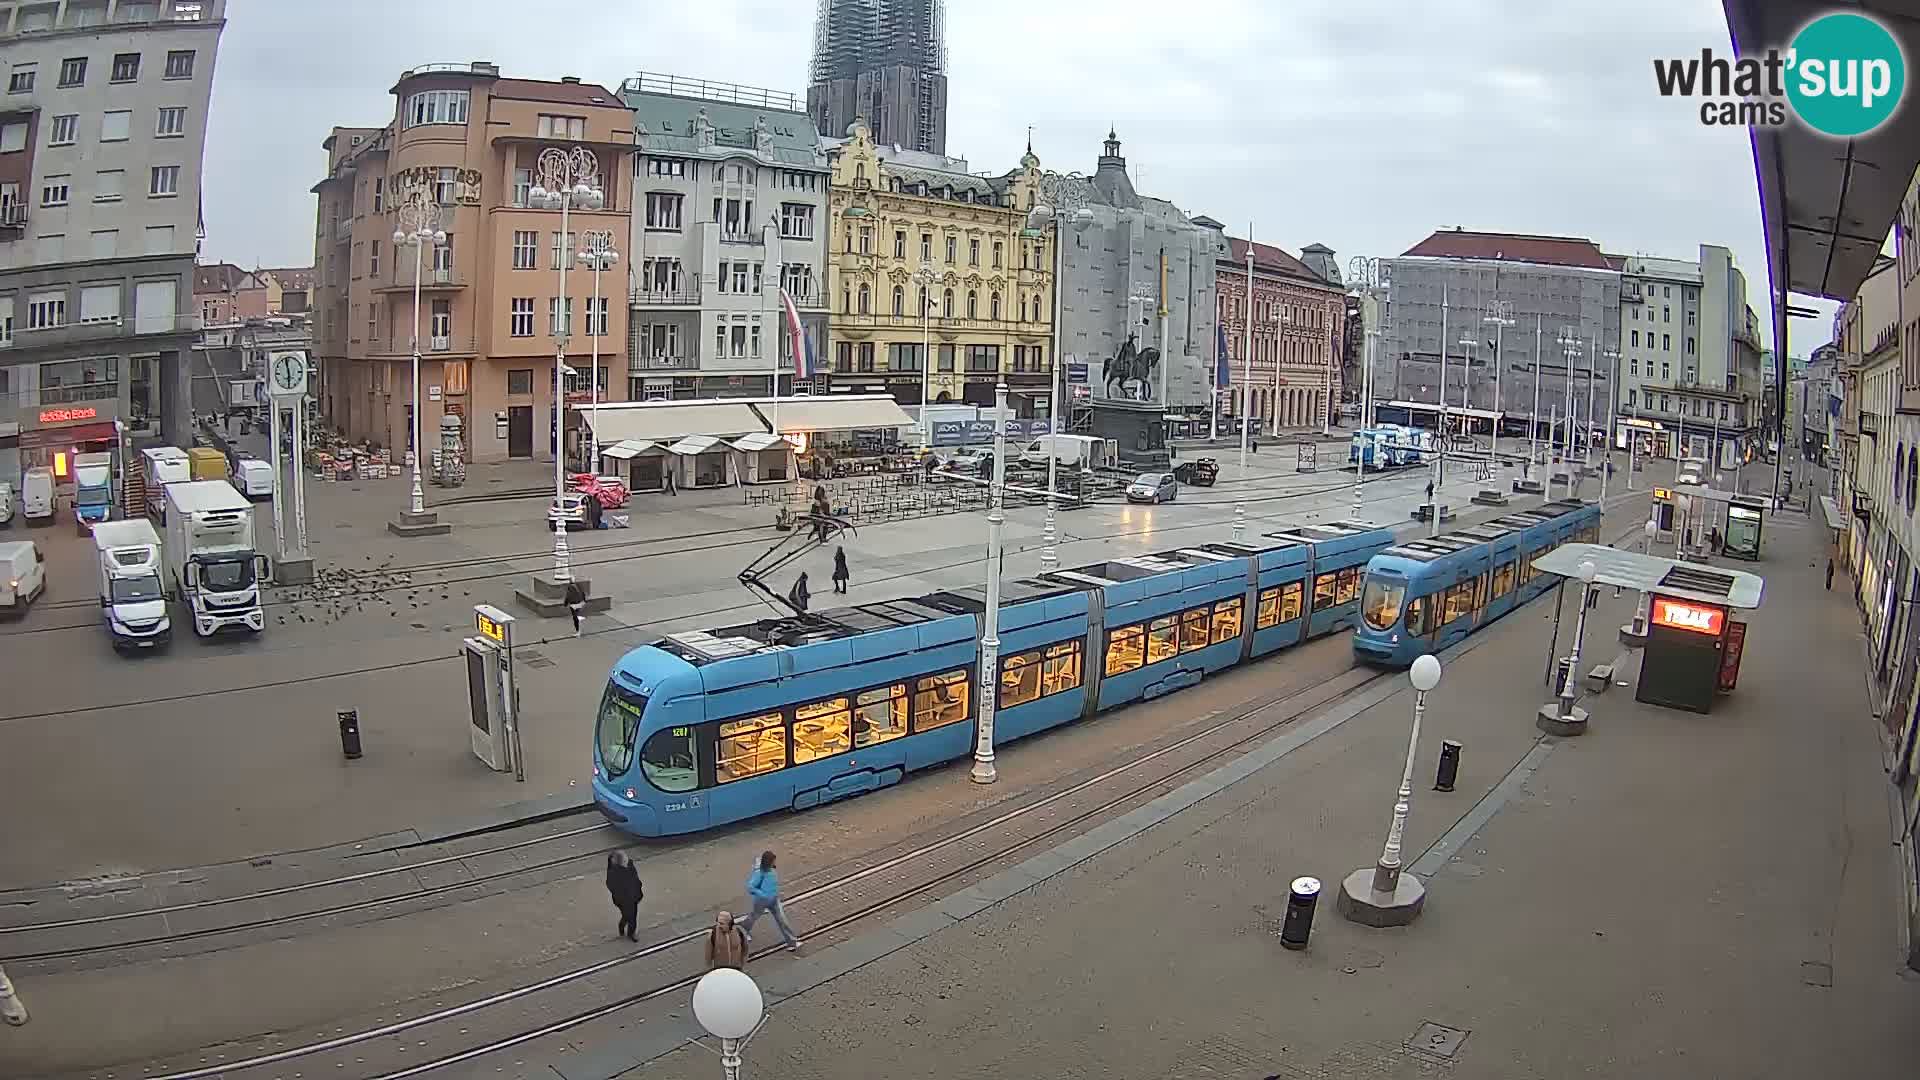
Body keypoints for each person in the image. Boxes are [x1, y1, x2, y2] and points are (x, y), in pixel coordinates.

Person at [738, 850, 801, 950]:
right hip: (761, 901)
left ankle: (792, 942)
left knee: (782, 920)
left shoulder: (771, 869)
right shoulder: (760, 873)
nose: (775, 863)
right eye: (773, 861)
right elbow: (750, 887)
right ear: (769, 862)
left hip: (774, 900)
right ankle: (743, 930)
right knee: (754, 916)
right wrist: (763, 894)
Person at [605, 852, 643, 941]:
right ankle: (625, 929)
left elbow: (635, 877)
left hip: (633, 896)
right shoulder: (614, 872)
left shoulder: (629, 865)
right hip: (623, 899)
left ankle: (629, 932)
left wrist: (638, 886)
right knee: (629, 916)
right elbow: (611, 885)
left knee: (632, 917)